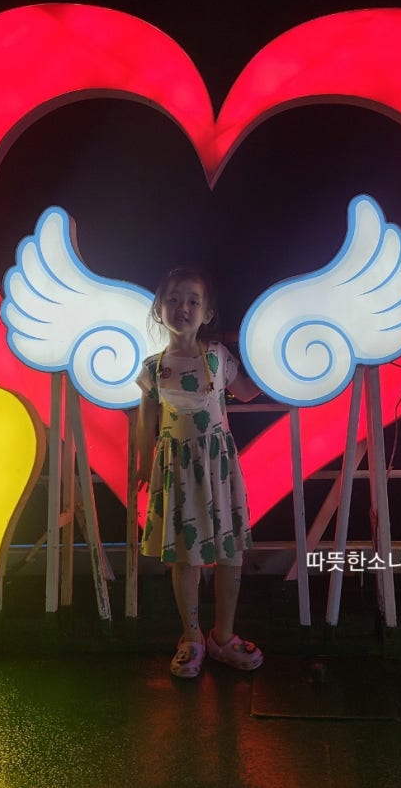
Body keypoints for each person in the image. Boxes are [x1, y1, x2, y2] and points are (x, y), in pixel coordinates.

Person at [136, 266, 264, 678]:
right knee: (183, 555)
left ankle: (223, 636)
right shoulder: (153, 367)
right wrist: (142, 463)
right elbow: (146, 420)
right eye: (174, 299)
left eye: (193, 301)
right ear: (159, 309)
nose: (183, 307)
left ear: (207, 313)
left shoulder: (218, 357)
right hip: (176, 468)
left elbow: (248, 391)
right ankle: (191, 637)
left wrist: (284, 360)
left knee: (231, 553)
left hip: (219, 467)